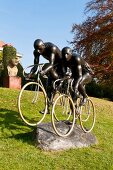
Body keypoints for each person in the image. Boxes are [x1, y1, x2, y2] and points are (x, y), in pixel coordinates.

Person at [28, 39, 64, 112]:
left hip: (61, 65)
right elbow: (35, 66)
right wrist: (30, 74)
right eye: (36, 49)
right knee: (48, 87)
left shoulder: (51, 48)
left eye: (40, 49)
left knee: (54, 84)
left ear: (43, 45)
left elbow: (51, 64)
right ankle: (47, 108)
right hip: (53, 66)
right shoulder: (36, 52)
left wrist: (44, 71)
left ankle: (58, 86)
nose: (38, 51)